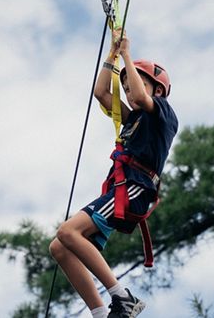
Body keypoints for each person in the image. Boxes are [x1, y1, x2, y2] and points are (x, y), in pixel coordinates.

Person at [49, 28, 178, 318]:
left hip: (136, 186)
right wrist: (112, 56)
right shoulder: (133, 119)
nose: (130, 93)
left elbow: (145, 99)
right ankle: (99, 313)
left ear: (157, 89)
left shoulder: (163, 113)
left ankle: (123, 296)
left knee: (68, 230)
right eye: (128, 88)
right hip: (120, 188)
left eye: (136, 85)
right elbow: (100, 93)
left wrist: (128, 56)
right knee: (60, 247)